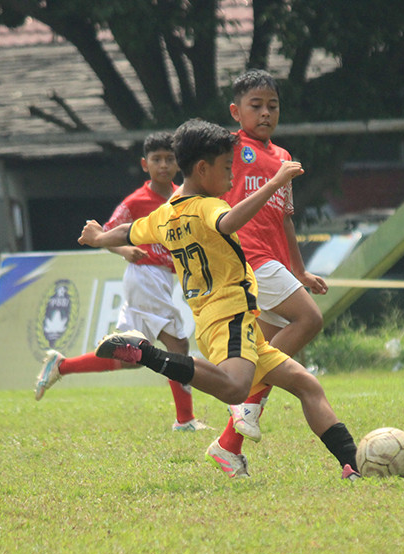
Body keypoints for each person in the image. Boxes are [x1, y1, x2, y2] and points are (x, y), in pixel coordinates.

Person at [77, 119, 360, 480]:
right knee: (236, 387)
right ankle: (147, 353)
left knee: (307, 385)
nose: (231, 177)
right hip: (232, 316)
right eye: (227, 168)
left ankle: (353, 466)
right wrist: (275, 183)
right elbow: (228, 222)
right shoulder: (207, 206)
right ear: (202, 169)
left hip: (218, 321)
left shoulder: (166, 214)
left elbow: (129, 230)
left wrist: (100, 238)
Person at [34, 131, 210, 432]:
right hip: (145, 277)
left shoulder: (182, 197)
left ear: (178, 164)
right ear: (145, 164)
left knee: (133, 357)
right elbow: (107, 232)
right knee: (178, 346)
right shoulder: (137, 200)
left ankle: (62, 366)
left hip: (160, 279)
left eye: (169, 159)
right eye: (157, 159)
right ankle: (185, 421)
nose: (164, 165)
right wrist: (125, 249)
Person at [212, 68, 329, 460]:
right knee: (309, 320)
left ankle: (228, 447)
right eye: (255, 106)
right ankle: (245, 403)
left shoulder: (283, 157)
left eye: (272, 106)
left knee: (268, 357)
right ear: (236, 111)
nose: (265, 113)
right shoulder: (228, 147)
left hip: (274, 261)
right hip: (247, 259)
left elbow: (286, 217)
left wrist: (299, 271)